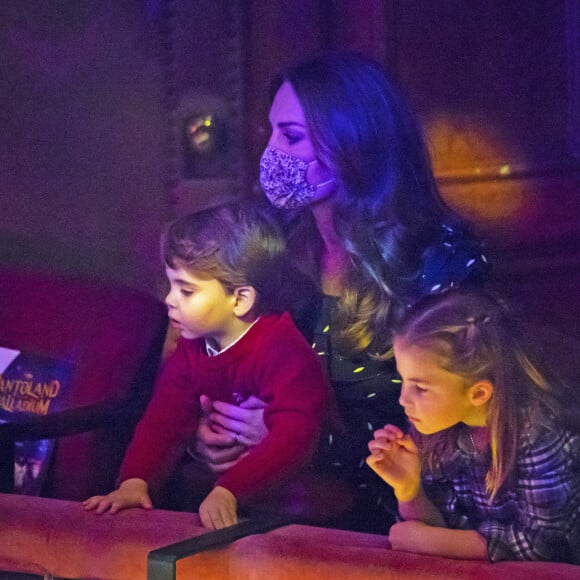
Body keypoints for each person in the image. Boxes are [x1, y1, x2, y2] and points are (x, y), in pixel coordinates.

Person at [192, 50, 489, 533]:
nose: (271, 154)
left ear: (355, 144)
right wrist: (206, 431)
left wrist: (299, 439)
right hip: (266, 508)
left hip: (392, 524)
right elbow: (216, 368)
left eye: (290, 137)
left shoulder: (439, 260)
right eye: (271, 133)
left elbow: (452, 443)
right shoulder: (271, 246)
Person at [83, 202, 328, 530]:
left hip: (300, 513)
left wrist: (230, 489)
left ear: (240, 299)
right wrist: (135, 481)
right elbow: (163, 420)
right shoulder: (192, 347)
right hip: (226, 504)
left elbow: (296, 436)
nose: (170, 299)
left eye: (186, 290)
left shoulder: (283, 350)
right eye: (172, 285)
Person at [367, 289, 580, 563]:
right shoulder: (432, 426)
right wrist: (409, 490)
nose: (403, 400)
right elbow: (438, 528)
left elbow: (543, 546)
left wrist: (429, 541)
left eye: (420, 388)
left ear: (478, 393)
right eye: (404, 381)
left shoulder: (537, 432)